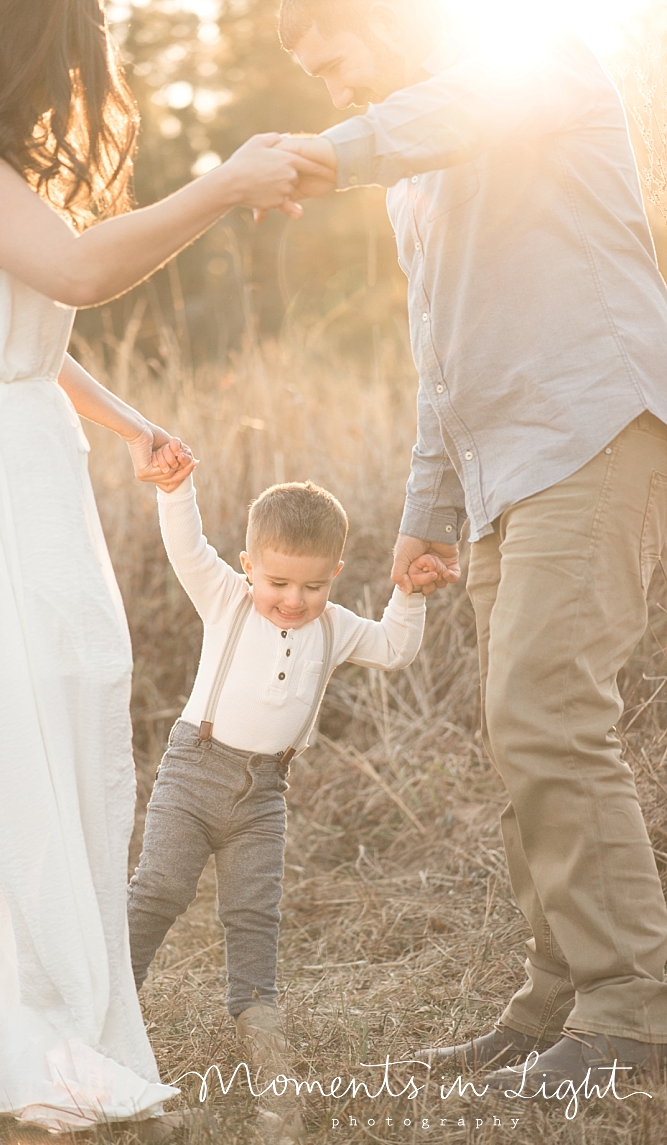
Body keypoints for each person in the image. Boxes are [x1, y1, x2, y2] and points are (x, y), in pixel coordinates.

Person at [0, 0, 333, 1134]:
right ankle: (40, 1035)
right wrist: (223, 185)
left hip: (16, 472)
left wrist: (128, 423)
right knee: (36, 743)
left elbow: (28, 314)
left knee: (63, 732)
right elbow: (82, 272)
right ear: (26, 49)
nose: (81, 75)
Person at [274, 0, 667, 1089]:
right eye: (313, 80)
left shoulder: (528, 56)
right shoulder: (412, 171)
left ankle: (632, 1010)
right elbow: (437, 352)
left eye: (333, 56)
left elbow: (454, 109)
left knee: (548, 715)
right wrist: (425, 507)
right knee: (518, 732)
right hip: (501, 475)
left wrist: (322, 154)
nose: (332, 89)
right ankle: (554, 1000)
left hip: (591, 428)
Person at [126, 474, 437, 1136]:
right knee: (159, 888)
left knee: (254, 915)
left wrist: (409, 592)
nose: (294, 600)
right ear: (248, 567)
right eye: (278, 583)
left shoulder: (337, 627)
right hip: (193, 775)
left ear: (335, 574)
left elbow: (395, 647)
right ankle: (106, 1012)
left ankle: (269, 1061)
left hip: (264, 795)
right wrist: (176, 489)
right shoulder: (226, 598)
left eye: (313, 585)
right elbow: (187, 547)